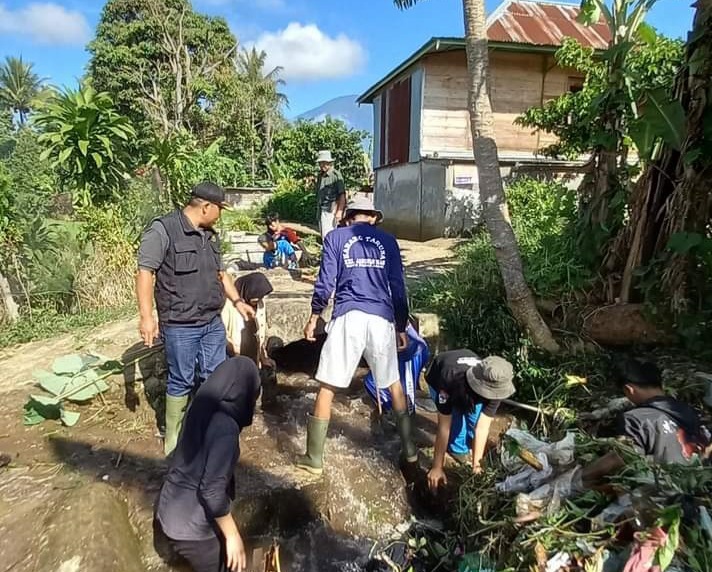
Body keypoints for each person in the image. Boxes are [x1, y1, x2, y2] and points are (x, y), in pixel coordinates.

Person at [297, 196, 416, 475]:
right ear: (373, 217)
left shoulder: (336, 238)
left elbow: (326, 281)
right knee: (394, 384)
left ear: (348, 217)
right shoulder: (388, 241)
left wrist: (315, 315)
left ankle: (314, 459)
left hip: (348, 315)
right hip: (381, 318)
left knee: (327, 385)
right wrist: (401, 326)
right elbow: (398, 287)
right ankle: (410, 452)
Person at [136, 181, 256, 456]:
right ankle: (174, 444)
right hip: (180, 324)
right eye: (219, 209)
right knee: (181, 380)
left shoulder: (210, 236)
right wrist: (146, 317)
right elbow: (145, 273)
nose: (220, 215)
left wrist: (237, 301)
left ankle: (209, 431)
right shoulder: (163, 230)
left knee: (215, 377)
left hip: (211, 321)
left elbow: (221, 274)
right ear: (206, 206)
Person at [155, 356, 261, 572]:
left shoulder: (201, 406)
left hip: (168, 509)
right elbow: (211, 491)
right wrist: (233, 536)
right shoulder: (226, 428)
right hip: (190, 529)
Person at [582, 358, 711, 483]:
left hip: (663, 495)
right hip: (701, 490)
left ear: (629, 389)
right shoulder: (691, 412)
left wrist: (579, 478)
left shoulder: (636, 419)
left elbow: (623, 457)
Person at [425, 350, 516, 492]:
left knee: (474, 419)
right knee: (456, 422)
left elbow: (482, 427)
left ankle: (472, 453)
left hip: (467, 376)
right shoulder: (448, 378)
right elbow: (444, 426)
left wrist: (477, 466)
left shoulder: (497, 385)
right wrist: (437, 467)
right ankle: (457, 449)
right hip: (438, 376)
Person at [220, 273, 274, 367]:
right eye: (255, 295)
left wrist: (263, 357)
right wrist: (232, 347)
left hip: (252, 353)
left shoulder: (260, 304)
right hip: (234, 355)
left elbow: (261, 332)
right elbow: (222, 332)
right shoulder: (228, 305)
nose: (258, 299)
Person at [314, 150, 346, 238]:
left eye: (324, 163)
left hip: (331, 210)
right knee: (324, 235)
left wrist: (339, 211)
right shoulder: (320, 176)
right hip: (321, 209)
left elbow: (342, 195)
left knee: (329, 236)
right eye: (320, 163)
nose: (322, 165)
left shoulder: (335, 175)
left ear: (329, 163)